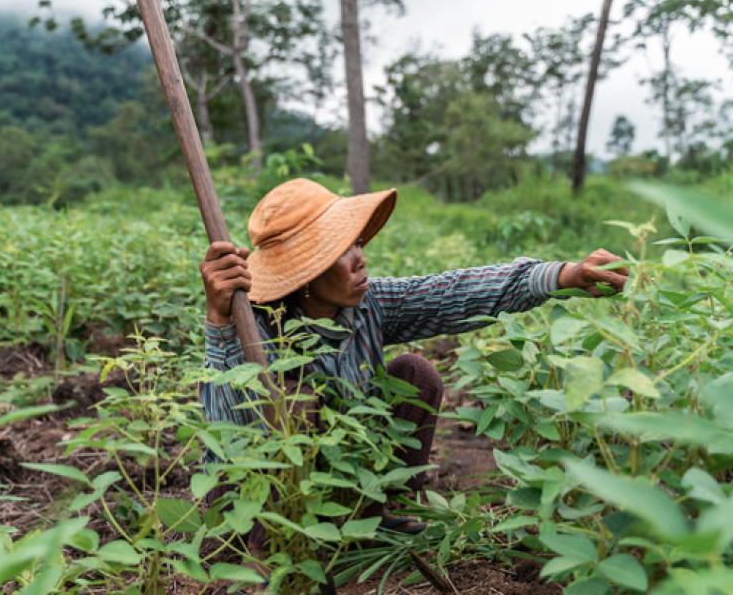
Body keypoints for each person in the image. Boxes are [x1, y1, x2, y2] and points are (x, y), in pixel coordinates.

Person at [200, 178, 628, 586]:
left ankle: (376, 513)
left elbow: (453, 292)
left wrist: (561, 275)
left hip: (344, 483)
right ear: (304, 275)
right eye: (340, 251)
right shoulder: (252, 326)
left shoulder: (371, 304)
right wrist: (220, 323)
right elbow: (227, 438)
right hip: (259, 506)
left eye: (358, 244)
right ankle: (269, 556)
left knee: (415, 374)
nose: (360, 258)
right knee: (293, 403)